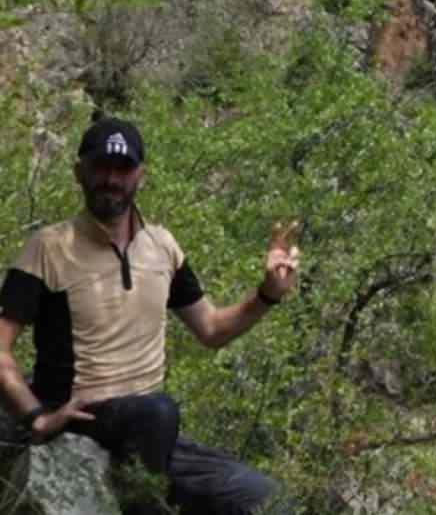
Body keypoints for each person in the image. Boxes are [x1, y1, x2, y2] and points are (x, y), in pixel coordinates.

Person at [0, 113, 301, 514]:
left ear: (140, 174)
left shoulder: (162, 247)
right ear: (79, 171)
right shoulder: (49, 247)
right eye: (100, 166)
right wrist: (37, 417)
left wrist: (267, 295)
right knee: (158, 411)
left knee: (271, 500)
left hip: (150, 430)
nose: (110, 178)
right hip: (82, 416)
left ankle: (148, 486)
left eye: (122, 169)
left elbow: (211, 329)